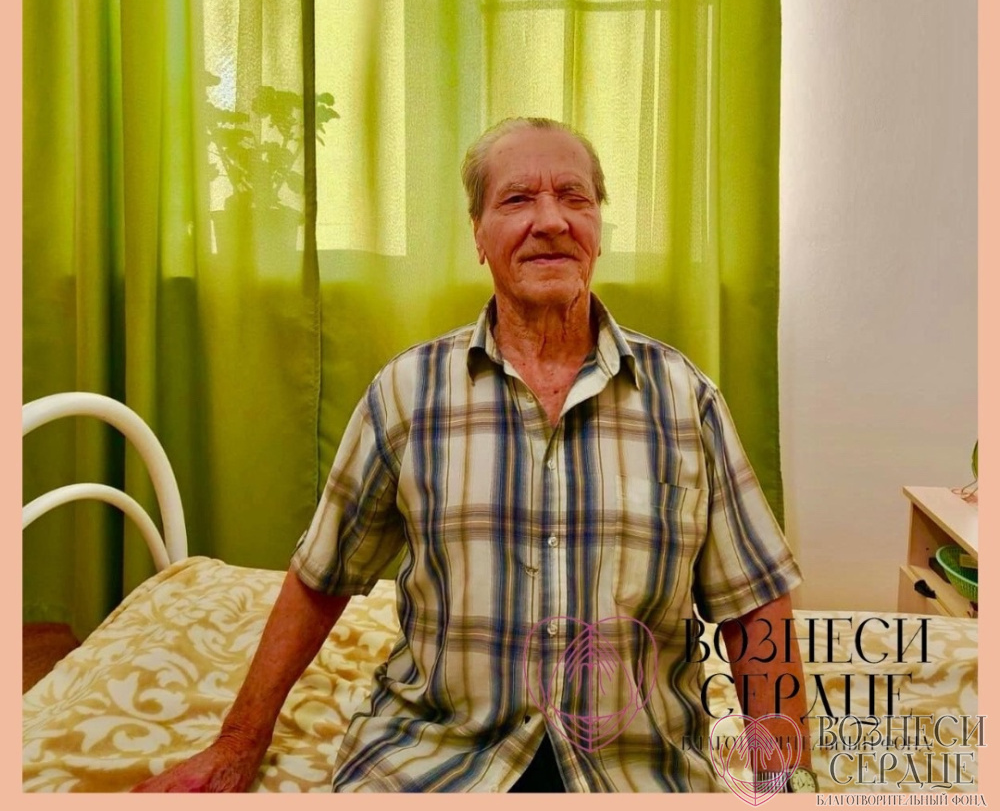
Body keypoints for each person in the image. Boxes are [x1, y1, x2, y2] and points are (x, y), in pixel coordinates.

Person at [134, 117, 814, 793]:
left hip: (635, 772)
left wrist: (781, 789)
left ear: (597, 229)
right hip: (434, 764)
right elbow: (322, 577)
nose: (551, 220)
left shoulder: (684, 399)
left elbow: (756, 610)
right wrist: (237, 743)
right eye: (517, 199)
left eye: (574, 197)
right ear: (478, 236)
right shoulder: (408, 394)